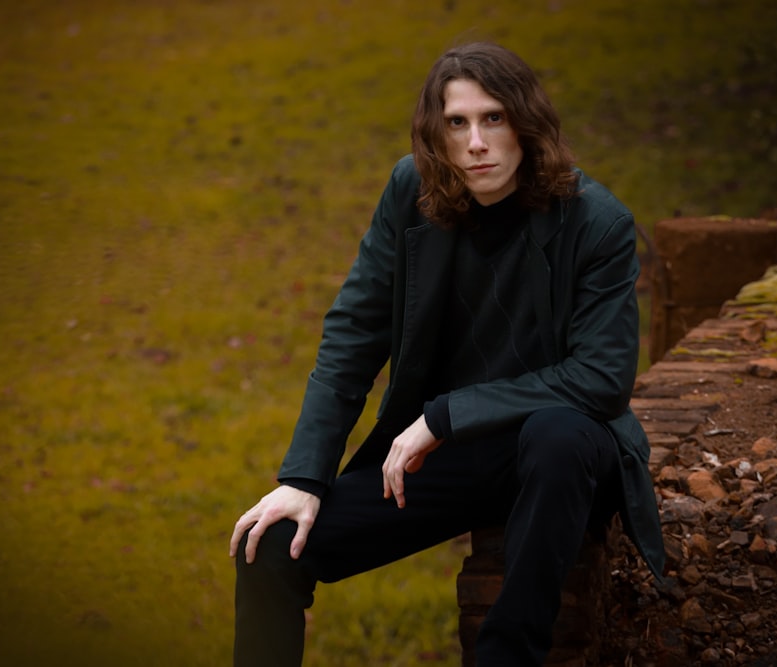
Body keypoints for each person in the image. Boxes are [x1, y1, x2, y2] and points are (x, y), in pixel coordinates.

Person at [229, 41, 665, 666]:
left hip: (559, 458)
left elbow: (601, 380)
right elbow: (353, 333)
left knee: (559, 434)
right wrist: (304, 477)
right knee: (270, 547)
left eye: (493, 118)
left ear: (526, 122)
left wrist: (444, 415)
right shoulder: (411, 191)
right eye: (456, 123)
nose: (476, 143)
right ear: (436, 134)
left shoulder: (597, 222)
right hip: (452, 458)